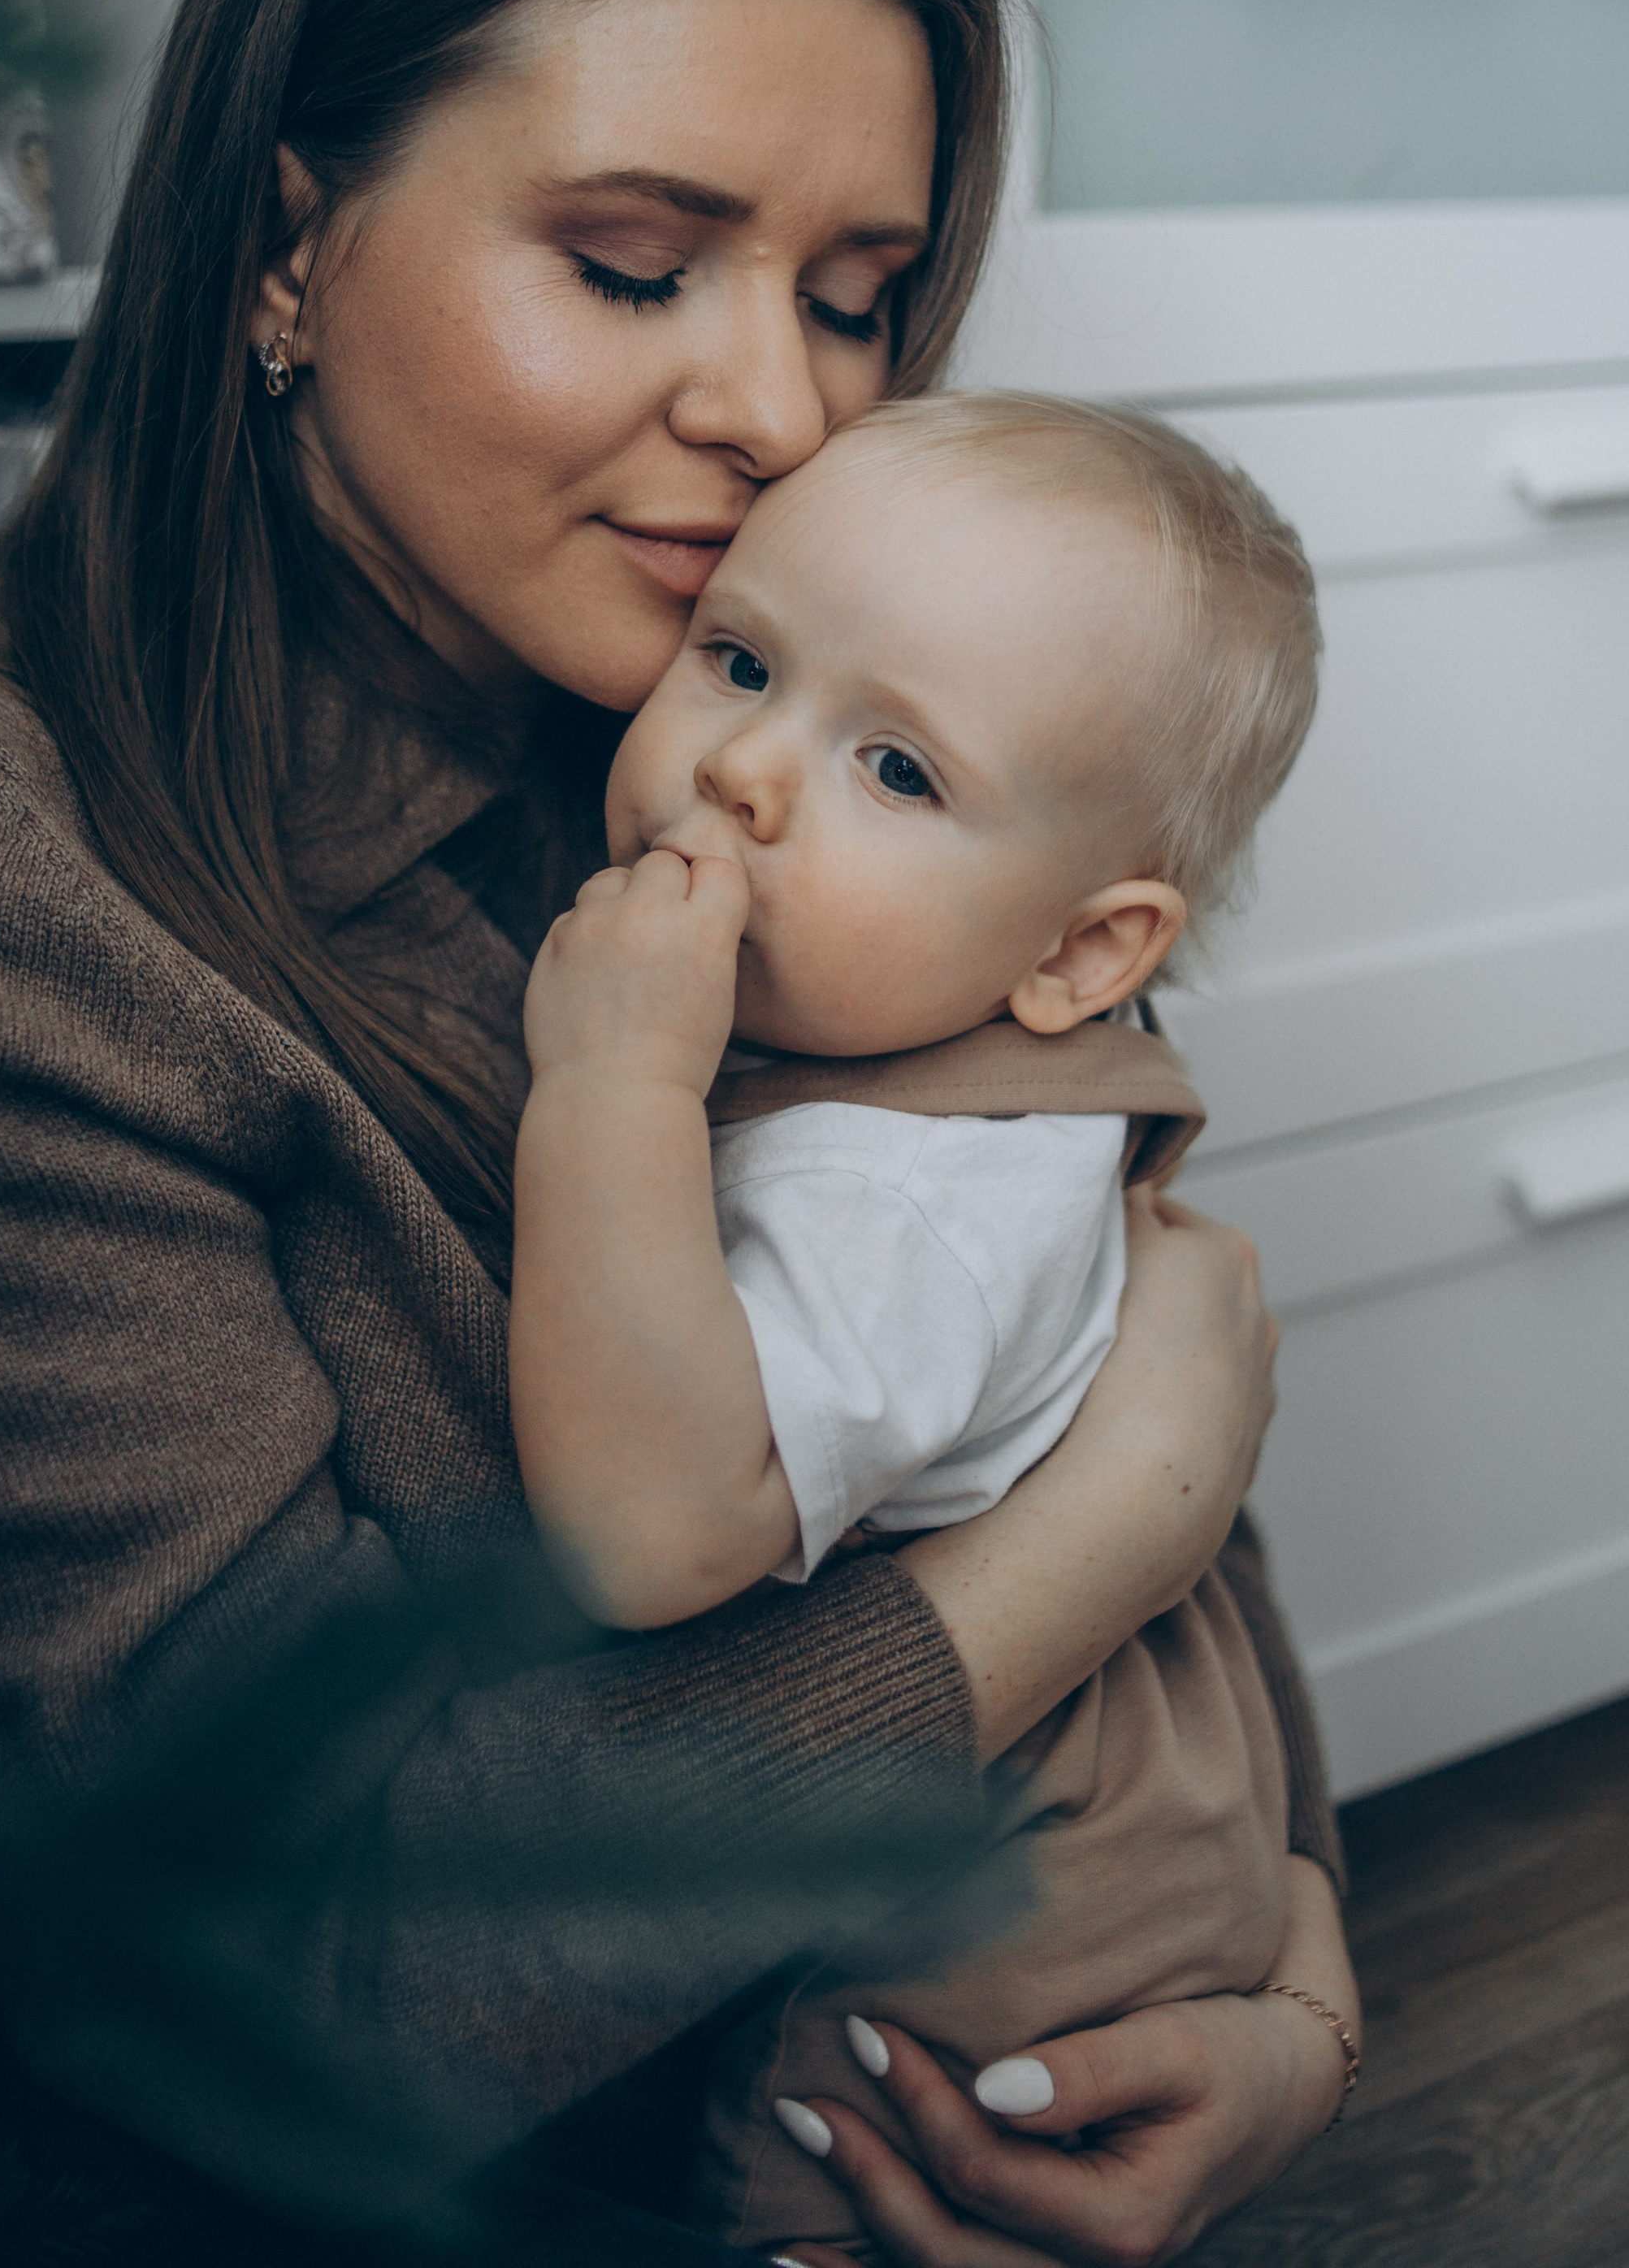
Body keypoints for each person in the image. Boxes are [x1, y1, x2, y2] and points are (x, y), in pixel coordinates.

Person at [0, 0, 1357, 2265]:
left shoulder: (766, 719)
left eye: (859, 299)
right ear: (287, 245)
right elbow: (258, 1954)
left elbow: (1031, 1325)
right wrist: (1106, 1527)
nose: (782, 410)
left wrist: (1299, 1992)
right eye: (633, 268)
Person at [511, 392, 1341, 2259]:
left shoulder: (909, 1201)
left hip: (996, 1940)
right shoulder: (892, 1037)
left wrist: (609, 1092)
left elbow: (652, 1532)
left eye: (896, 772)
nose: (743, 770)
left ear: (1074, 956)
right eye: (738, 660)